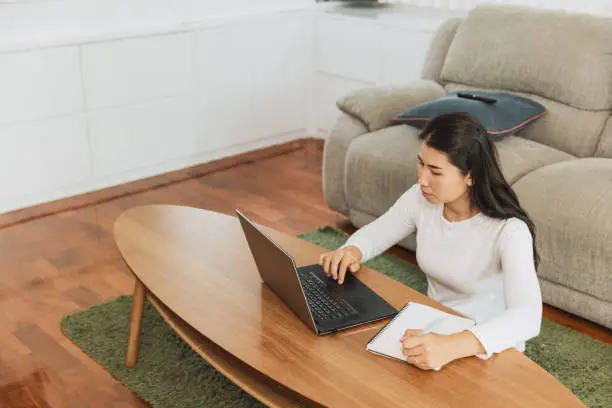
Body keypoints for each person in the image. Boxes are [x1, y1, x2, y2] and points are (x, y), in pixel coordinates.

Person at [318, 112, 542, 370]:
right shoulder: (423, 199)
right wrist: (351, 250)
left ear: (470, 176)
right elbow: (379, 232)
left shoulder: (509, 231)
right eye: (421, 164)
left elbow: (526, 318)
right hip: (434, 326)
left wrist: (451, 346)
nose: (422, 180)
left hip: (487, 343)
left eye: (435, 171)